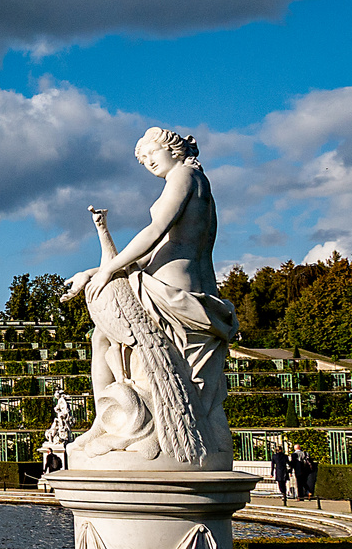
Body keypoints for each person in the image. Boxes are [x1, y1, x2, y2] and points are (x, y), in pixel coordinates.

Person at [60, 129, 237, 467]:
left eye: (151, 153)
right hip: (180, 289)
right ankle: (106, 420)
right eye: (142, 160)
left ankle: (123, 424)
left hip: (170, 296)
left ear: (173, 147)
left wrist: (105, 270)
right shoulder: (196, 182)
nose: (148, 162)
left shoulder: (184, 175)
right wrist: (90, 272)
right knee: (103, 336)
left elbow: (155, 232)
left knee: (106, 336)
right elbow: (151, 253)